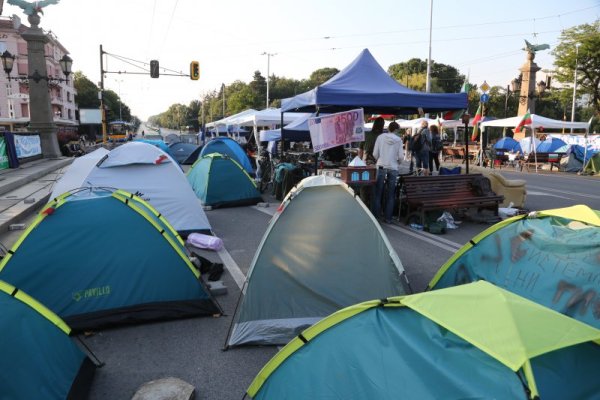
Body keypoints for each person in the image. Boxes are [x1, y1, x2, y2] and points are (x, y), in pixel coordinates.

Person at [372, 121, 404, 223]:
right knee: (391, 195)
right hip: (393, 167)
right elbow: (401, 157)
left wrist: (379, 159)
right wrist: (397, 163)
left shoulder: (380, 137)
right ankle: (388, 218)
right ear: (396, 130)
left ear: (388, 128)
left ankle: (376, 217)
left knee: (378, 193)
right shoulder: (399, 140)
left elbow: (375, 153)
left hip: (381, 166)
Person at [358, 117, 384, 208]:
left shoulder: (366, 134)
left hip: (365, 163)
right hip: (378, 164)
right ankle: (373, 211)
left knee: (364, 187)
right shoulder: (382, 136)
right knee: (375, 190)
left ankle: (363, 207)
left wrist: (360, 161)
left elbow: (360, 150)